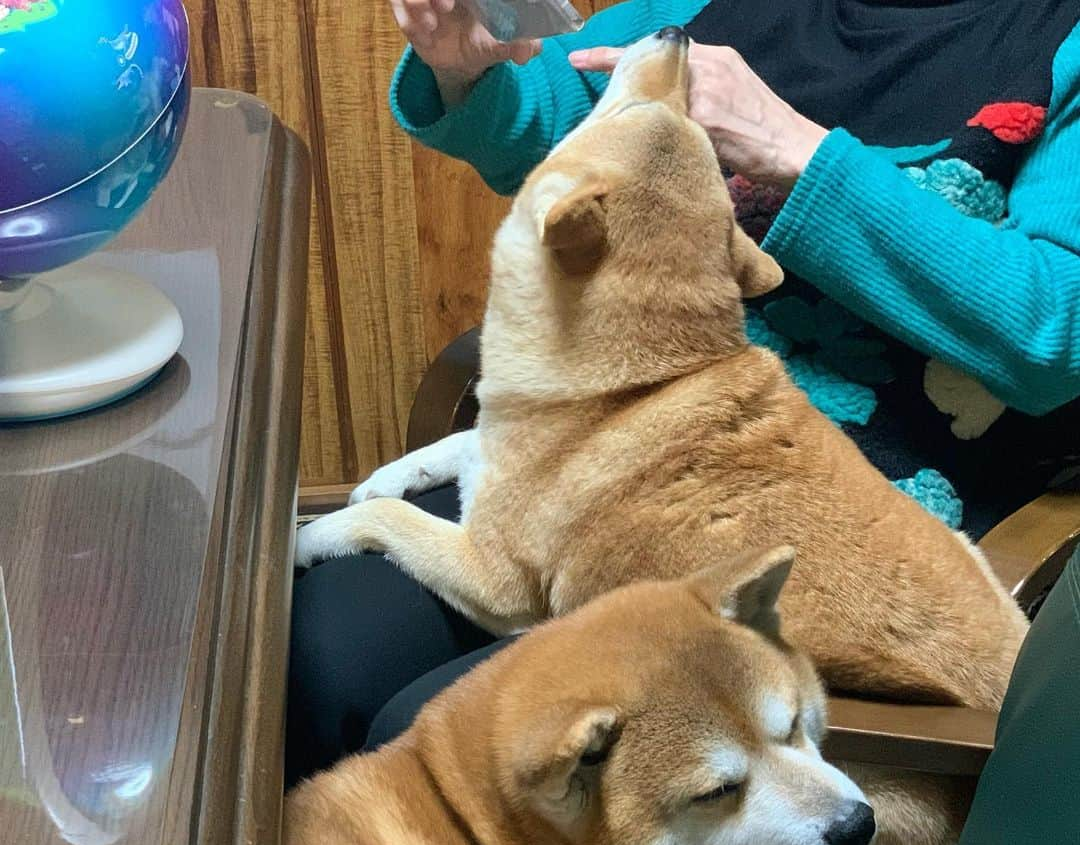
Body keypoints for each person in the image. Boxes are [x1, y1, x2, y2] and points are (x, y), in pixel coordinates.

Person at [286, 0, 1080, 788]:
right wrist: (464, 74)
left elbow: (1056, 329)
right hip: (610, 454)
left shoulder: (1059, 46)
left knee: (441, 750)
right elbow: (562, 114)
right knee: (322, 652)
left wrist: (794, 148)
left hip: (835, 539)